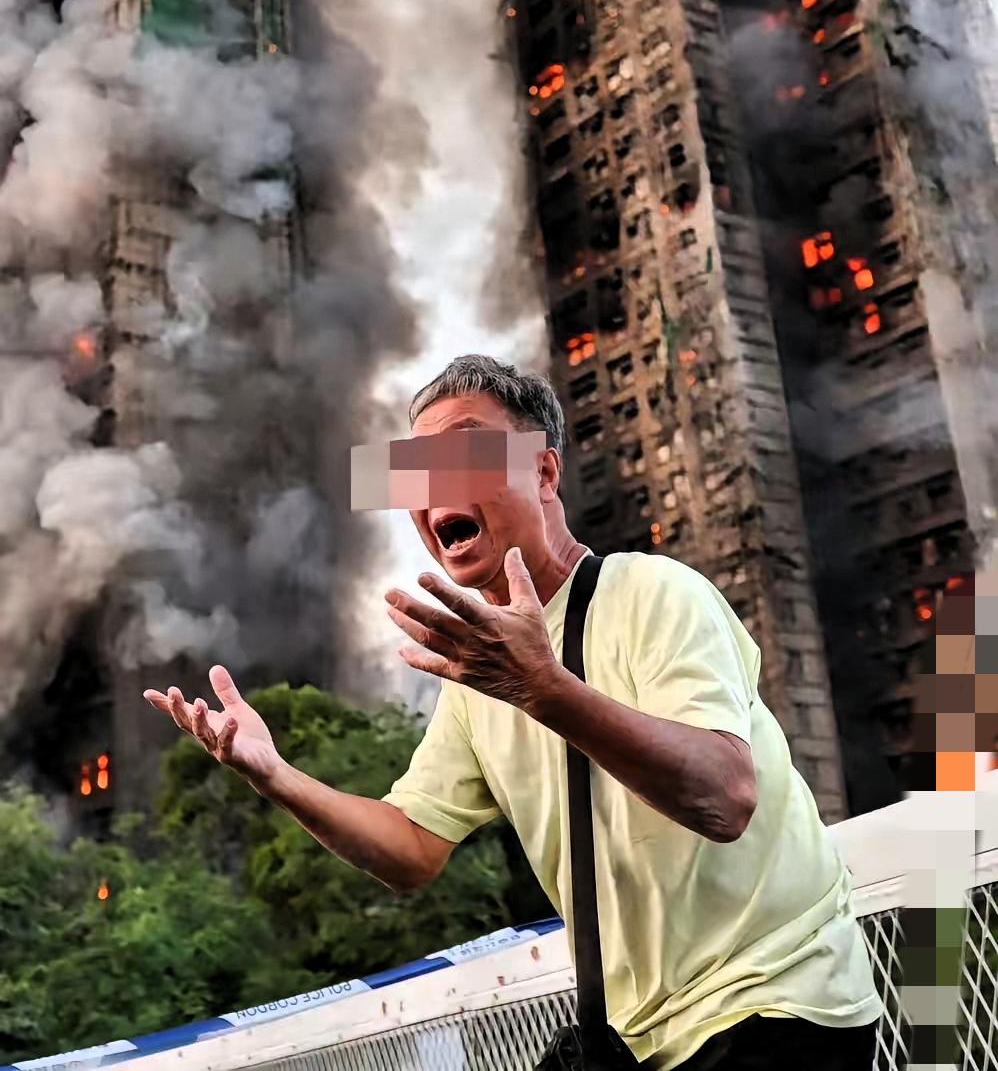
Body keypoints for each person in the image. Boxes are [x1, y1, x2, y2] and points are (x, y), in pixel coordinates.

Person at [145, 354, 882, 1070]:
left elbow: (725, 798)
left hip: (775, 1005)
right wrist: (275, 776)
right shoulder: (477, 677)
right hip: (635, 1038)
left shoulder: (655, 592)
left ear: (544, 470)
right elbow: (411, 849)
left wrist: (543, 689)